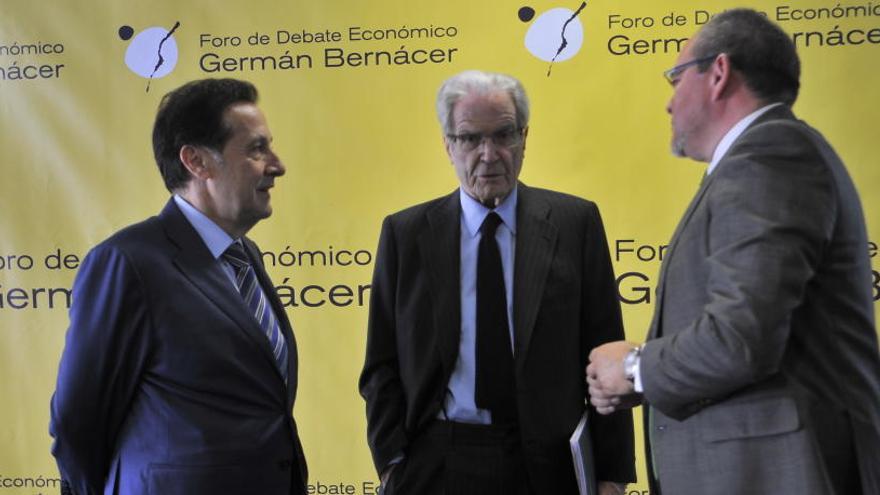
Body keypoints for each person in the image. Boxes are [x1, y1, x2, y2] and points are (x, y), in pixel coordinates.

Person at [587, 8, 880, 495]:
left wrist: (635, 369)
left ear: (718, 73)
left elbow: (743, 336)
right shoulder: (767, 156)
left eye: (676, 77)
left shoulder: (769, 156)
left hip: (779, 475)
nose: (668, 103)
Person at [359, 70, 635, 495]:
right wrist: (392, 464)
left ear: (524, 137)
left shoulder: (574, 222)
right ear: (448, 145)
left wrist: (612, 475)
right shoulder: (405, 233)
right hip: (437, 461)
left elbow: (606, 355)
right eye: (470, 138)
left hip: (549, 464)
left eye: (503, 135)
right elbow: (381, 365)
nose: (489, 154)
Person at [50, 78, 307, 495]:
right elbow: (78, 422)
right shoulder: (128, 262)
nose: (277, 165)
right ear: (197, 162)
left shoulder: (247, 256)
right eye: (257, 149)